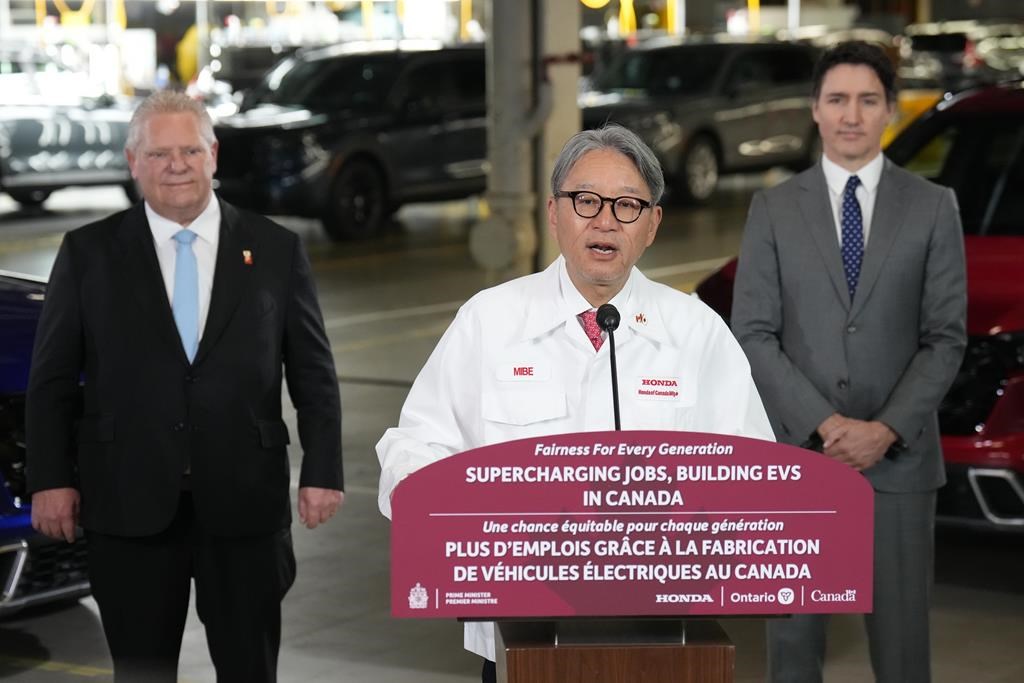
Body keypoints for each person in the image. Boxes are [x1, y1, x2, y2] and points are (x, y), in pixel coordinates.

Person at [376, 123, 775, 683]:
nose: (605, 221)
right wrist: (433, 507)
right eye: (586, 200)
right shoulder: (490, 320)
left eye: (627, 205)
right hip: (519, 636)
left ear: (653, 224)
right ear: (554, 213)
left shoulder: (696, 331)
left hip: (664, 637)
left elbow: (754, 475)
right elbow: (418, 444)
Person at [26, 90, 344, 683]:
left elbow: (313, 373)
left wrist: (323, 470)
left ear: (213, 155)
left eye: (190, 151)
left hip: (245, 501)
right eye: (159, 153)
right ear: (133, 161)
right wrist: (50, 479)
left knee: (250, 668)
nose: (176, 165)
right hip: (127, 500)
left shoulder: (275, 248)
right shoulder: (88, 252)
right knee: (142, 671)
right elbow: (51, 381)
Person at [730, 42, 967, 683]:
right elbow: (752, 333)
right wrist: (826, 424)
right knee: (793, 652)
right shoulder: (774, 209)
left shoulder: (933, 206)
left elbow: (945, 338)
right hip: (800, 461)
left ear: (890, 109)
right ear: (815, 108)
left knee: (902, 653)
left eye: (867, 100)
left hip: (900, 464)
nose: (851, 115)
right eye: (837, 99)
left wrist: (884, 429)